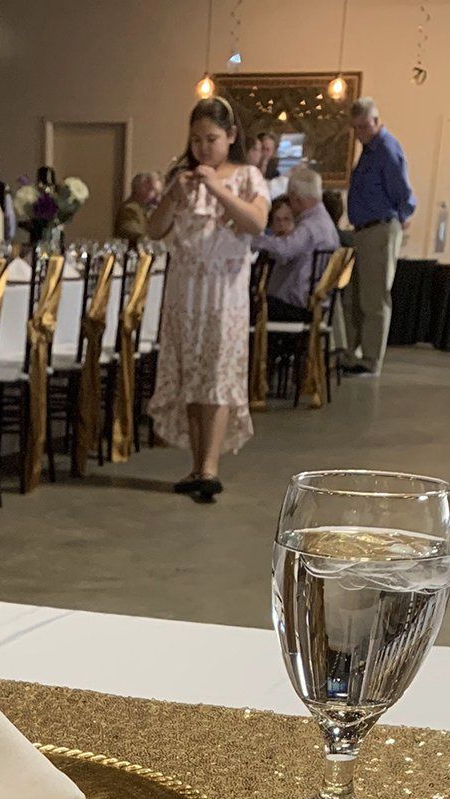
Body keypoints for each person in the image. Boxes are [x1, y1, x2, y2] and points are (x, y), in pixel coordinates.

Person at [148, 94, 269, 501]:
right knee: (192, 375)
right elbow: (154, 230)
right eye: (196, 140)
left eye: (211, 139)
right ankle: (196, 464)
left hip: (224, 293)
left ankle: (210, 467)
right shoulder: (181, 178)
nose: (203, 148)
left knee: (217, 374)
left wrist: (218, 189)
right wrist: (172, 196)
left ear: (231, 136)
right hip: (185, 292)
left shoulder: (247, 176)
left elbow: (256, 222)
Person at [343, 95, 414, 376]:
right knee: (355, 296)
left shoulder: (386, 148)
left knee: (374, 298)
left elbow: (402, 191)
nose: (359, 133)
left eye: (363, 127)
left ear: (375, 121)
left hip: (380, 228)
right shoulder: (368, 150)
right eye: (356, 128)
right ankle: (352, 353)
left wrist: (402, 217)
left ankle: (371, 359)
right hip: (363, 230)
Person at [253, 168, 341, 319]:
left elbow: (284, 250)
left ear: (297, 199)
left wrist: (254, 240)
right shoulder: (325, 223)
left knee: (249, 304)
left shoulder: (310, 227)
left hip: (296, 306)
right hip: (316, 303)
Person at [115, 171, 161, 242]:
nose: (155, 196)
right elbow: (133, 233)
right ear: (138, 188)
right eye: (152, 190)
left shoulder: (143, 208)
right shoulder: (130, 209)